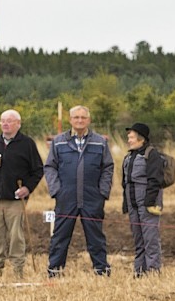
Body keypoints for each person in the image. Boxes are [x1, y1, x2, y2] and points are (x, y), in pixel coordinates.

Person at [44, 105, 113, 277]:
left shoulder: (99, 142)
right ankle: (55, 270)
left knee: (95, 236)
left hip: (92, 197)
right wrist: (56, 190)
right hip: (66, 197)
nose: (80, 120)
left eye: (83, 117)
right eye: (76, 117)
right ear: (70, 120)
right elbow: (50, 167)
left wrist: (102, 192)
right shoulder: (59, 141)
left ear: (88, 120)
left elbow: (108, 168)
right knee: (60, 235)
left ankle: (101, 270)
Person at [0, 109, 43, 279]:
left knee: (16, 236)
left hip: (16, 199)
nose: (5, 124)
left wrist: (27, 188)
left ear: (18, 124)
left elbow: (38, 170)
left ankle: (18, 271)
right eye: (3, 121)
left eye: (9, 121)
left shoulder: (27, 144)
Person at [120, 121, 167, 277]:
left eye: (131, 137)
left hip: (148, 204)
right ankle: (139, 271)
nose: (129, 140)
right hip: (133, 203)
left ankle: (153, 271)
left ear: (141, 138)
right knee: (138, 239)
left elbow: (155, 180)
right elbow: (125, 182)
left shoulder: (151, 154)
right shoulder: (129, 156)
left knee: (150, 239)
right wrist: (126, 204)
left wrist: (149, 202)